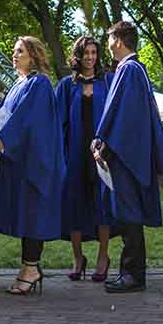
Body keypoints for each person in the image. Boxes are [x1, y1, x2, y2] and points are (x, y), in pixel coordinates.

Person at [92, 21, 163, 294]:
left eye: (109, 38)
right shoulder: (129, 70)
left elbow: (127, 118)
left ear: (118, 40)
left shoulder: (131, 70)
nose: (107, 44)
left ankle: (133, 274)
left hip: (127, 155)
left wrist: (107, 146)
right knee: (127, 215)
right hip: (125, 152)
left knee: (129, 214)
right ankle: (131, 272)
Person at [0, 36, 64, 296]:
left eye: (19, 51)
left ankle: (31, 269)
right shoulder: (19, 84)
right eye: (14, 51)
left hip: (34, 162)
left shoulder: (39, 84)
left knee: (32, 215)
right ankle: (28, 267)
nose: (14, 55)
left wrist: (5, 141)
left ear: (33, 55)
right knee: (24, 214)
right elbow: (6, 115)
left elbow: (29, 122)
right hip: (19, 162)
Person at [58, 35, 112, 282]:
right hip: (76, 152)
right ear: (77, 56)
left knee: (102, 203)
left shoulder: (107, 83)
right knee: (75, 204)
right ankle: (78, 257)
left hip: (101, 153)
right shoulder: (66, 86)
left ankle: (103, 256)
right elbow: (58, 123)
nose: (90, 58)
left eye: (94, 53)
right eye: (85, 53)